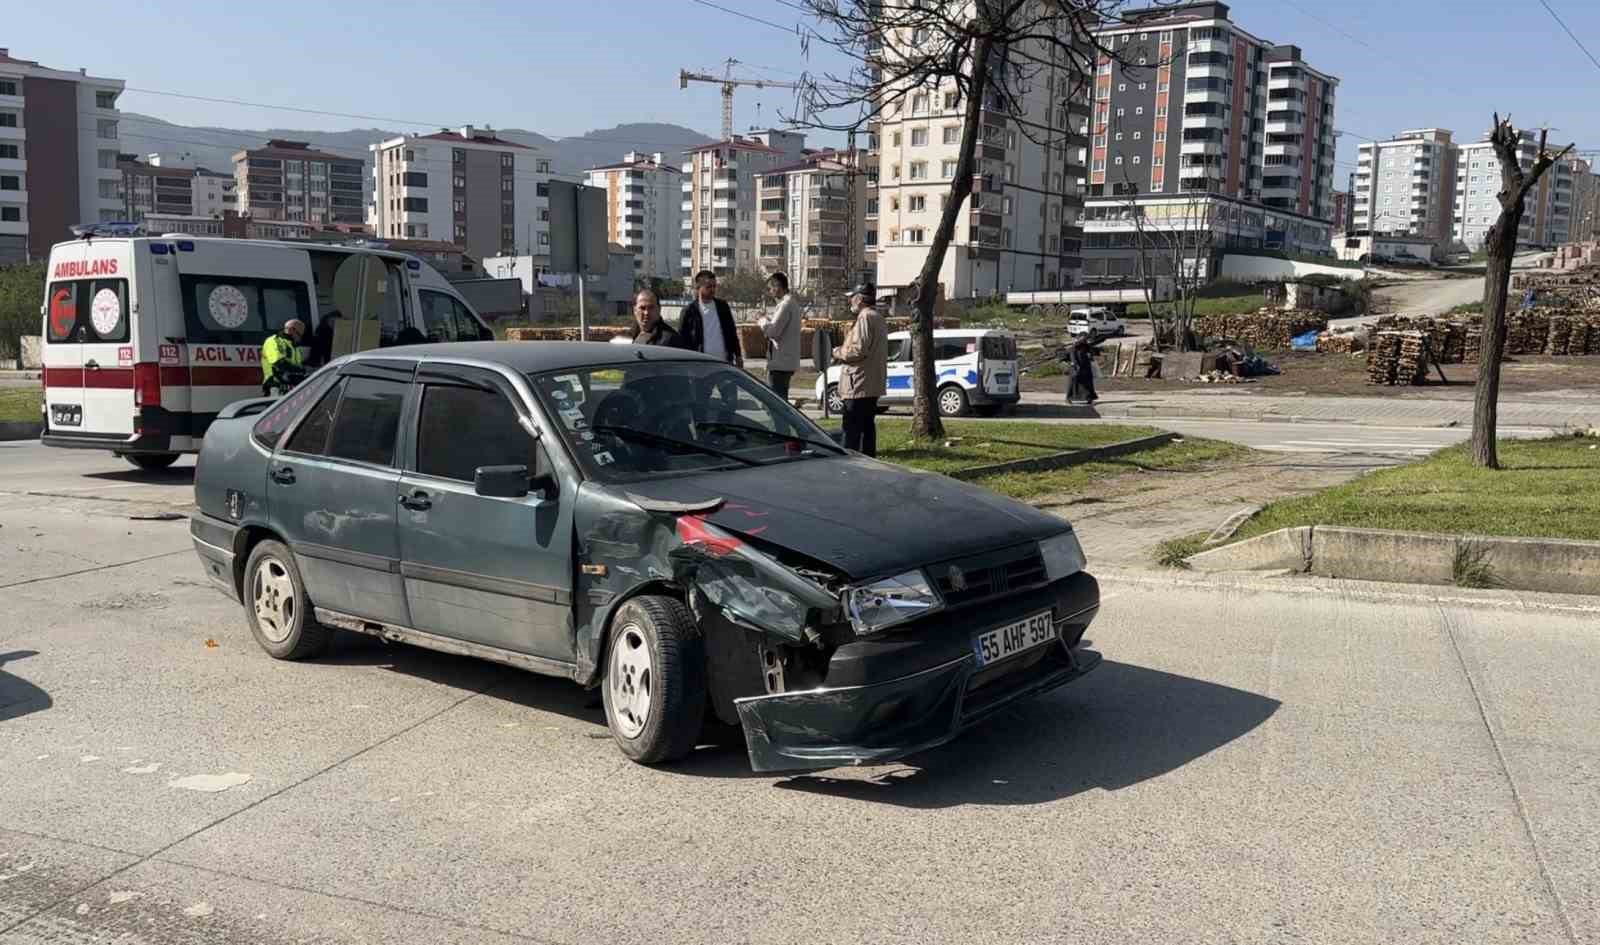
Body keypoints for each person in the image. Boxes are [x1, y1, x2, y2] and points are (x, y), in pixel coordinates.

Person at [833, 283, 888, 456]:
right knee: (867, 429)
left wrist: (838, 352)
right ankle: (869, 464)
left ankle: (852, 467)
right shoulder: (878, 317)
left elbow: (858, 349)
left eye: (852, 296)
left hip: (858, 383)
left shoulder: (865, 317)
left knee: (852, 432)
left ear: (860, 299)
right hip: (870, 383)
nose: (850, 300)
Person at [678, 270, 742, 366]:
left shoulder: (722, 307)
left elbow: (732, 333)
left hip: (724, 362)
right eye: (708, 287)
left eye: (714, 286)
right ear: (698, 288)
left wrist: (738, 355)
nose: (712, 290)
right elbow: (682, 340)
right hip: (700, 364)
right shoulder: (689, 311)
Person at [759, 272, 802, 399]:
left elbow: (772, 332)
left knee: (776, 403)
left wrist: (761, 320)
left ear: (777, 287)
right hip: (786, 361)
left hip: (780, 363)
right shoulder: (792, 303)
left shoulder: (785, 305)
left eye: (770, 288)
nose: (770, 292)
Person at [261, 319, 306, 395]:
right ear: (292, 330)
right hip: (275, 386)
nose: (300, 338)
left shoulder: (294, 347)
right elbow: (278, 363)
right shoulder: (273, 341)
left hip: (290, 387)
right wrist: (300, 370)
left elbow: (297, 364)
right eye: (299, 334)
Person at [1066, 338, 1098, 405]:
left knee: (1088, 385)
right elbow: (1073, 359)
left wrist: (1090, 355)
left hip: (1085, 369)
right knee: (1073, 384)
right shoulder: (1073, 349)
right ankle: (1068, 398)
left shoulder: (1086, 348)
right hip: (1076, 370)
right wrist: (1077, 367)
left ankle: (1089, 398)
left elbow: (1091, 356)